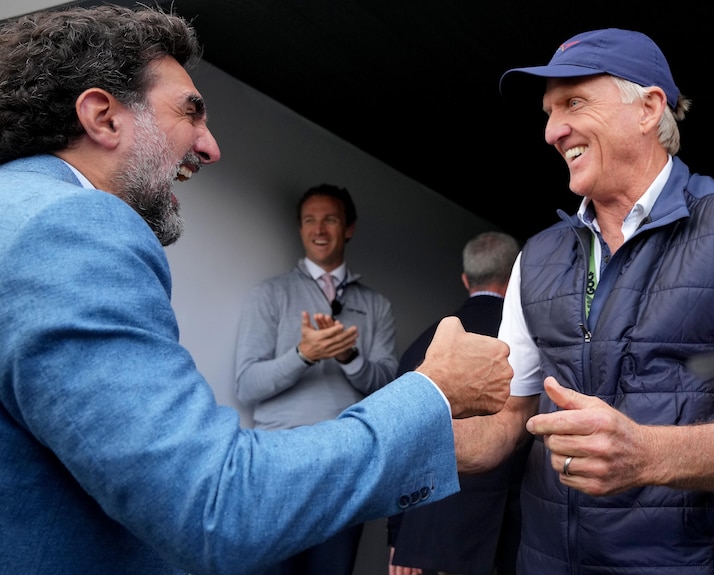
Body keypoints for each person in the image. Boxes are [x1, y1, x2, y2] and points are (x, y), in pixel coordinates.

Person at [0, 6, 513, 575]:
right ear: (103, 116)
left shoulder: (19, 210)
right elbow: (216, 507)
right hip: (265, 484)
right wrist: (434, 395)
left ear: (348, 229)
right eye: (191, 112)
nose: (211, 146)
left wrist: (363, 371)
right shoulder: (71, 227)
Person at [452, 28, 714, 575]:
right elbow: (507, 421)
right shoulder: (534, 256)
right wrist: (402, 439)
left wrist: (648, 454)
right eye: (548, 111)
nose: (553, 131)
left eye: (574, 102)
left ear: (649, 108)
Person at [234, 183, 398, 575]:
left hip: (345, 468)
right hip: (277, 465)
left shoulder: (376, 305)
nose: (319, 229)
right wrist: (304, 355)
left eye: (330, 219)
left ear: (349, 228)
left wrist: (348, 356)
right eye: (309, 220)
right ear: (300, 228)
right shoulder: (269, 294)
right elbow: (247, 385)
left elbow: (386, 387)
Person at [387, 231, 531, 575]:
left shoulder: (424, 346)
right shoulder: (528, 347)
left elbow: (400, 443)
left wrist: (399, 537)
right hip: (503, 540)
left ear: (466, 280)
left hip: (423, 539)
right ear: (516, 279)